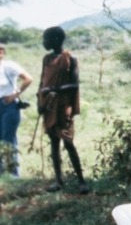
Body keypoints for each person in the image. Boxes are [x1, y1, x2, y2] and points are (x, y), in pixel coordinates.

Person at [39, 26, 88, 193]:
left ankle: (82, 182)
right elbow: (42, 82)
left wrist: (53, 89)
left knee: (68, 142)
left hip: (63, 106)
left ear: (57, 39)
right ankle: (59, 181)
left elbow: (74, 84)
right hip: (49, 106)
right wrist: (40, 101)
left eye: (47, 39)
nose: (44, 42)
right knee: (53, 143)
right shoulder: (46, 59)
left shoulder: (70, 58)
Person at [0, 43, 33, 178]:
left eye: (0, 51)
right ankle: (2, 176)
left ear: (2, 53)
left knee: (8, 140)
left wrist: (15, 94)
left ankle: (13, 176)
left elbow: (28, 79)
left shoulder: (9, 66)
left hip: (9, 105)